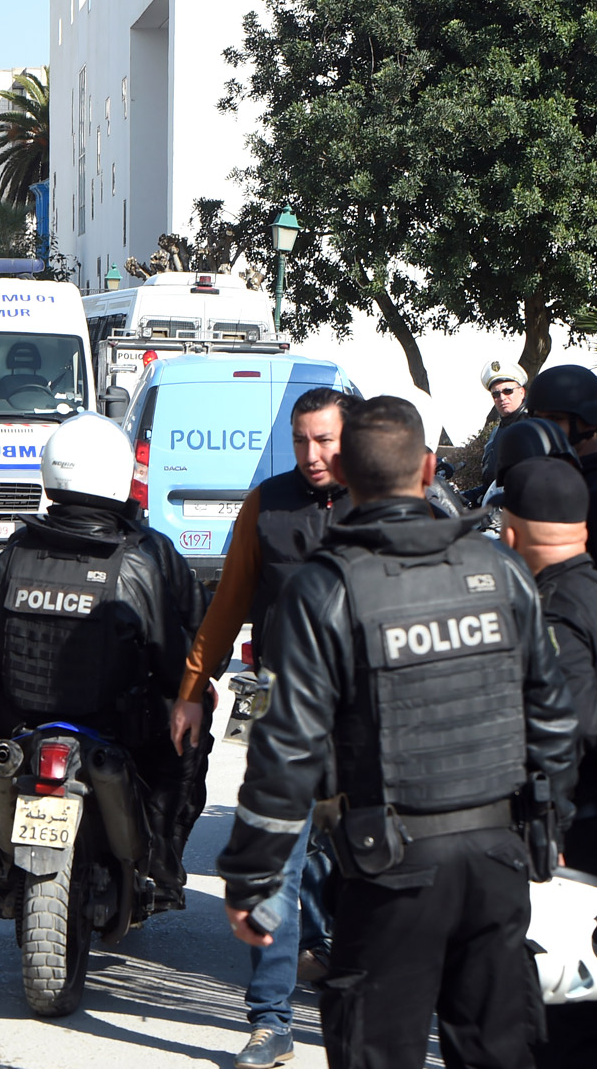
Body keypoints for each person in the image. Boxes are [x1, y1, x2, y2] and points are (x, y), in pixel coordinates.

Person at [216, 396, 578, 1069]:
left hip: (392, 869)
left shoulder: (328, 588)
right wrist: (548, 824)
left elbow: (288, 749)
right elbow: (553, 711)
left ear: (346, 475)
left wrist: (252, 878)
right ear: (431, 468)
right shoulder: (498, 570)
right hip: (498, 860)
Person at [170, 387, 357, 1068]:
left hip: (365, 716)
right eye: (303, 440)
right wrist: (195, 689)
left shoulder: (389, 506)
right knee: (276, 860)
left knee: (359, 860)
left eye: (327, 441)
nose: (313, 455)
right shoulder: (266, 505)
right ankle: (269, 1020)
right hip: (280, 705)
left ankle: (344, 977)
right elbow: (229, 603)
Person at [0, 412, 208, 905]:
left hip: (23, 719)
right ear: (118, 474)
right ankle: (161, 855)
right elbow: (171, 662)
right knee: (184, 746)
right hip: (117, 725)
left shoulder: (16, 552)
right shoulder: (140, 559)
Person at [499, 458, 597, 1069]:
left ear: (510, 534)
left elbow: (563, 733)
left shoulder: (558, 610)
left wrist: (546, 829)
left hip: (580, 835)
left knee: (561, 1018)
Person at [525, 364, 597, 585]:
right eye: (540, 420)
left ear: (588, 421)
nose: (546, 429)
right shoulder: (549, 476)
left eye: (555, 419)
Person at [480, 359, 529, 486]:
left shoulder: (533, 426)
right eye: (495, 394)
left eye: (508, 391)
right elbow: (491, 483)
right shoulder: (496, 432)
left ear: (522, 392)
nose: (502, 398)